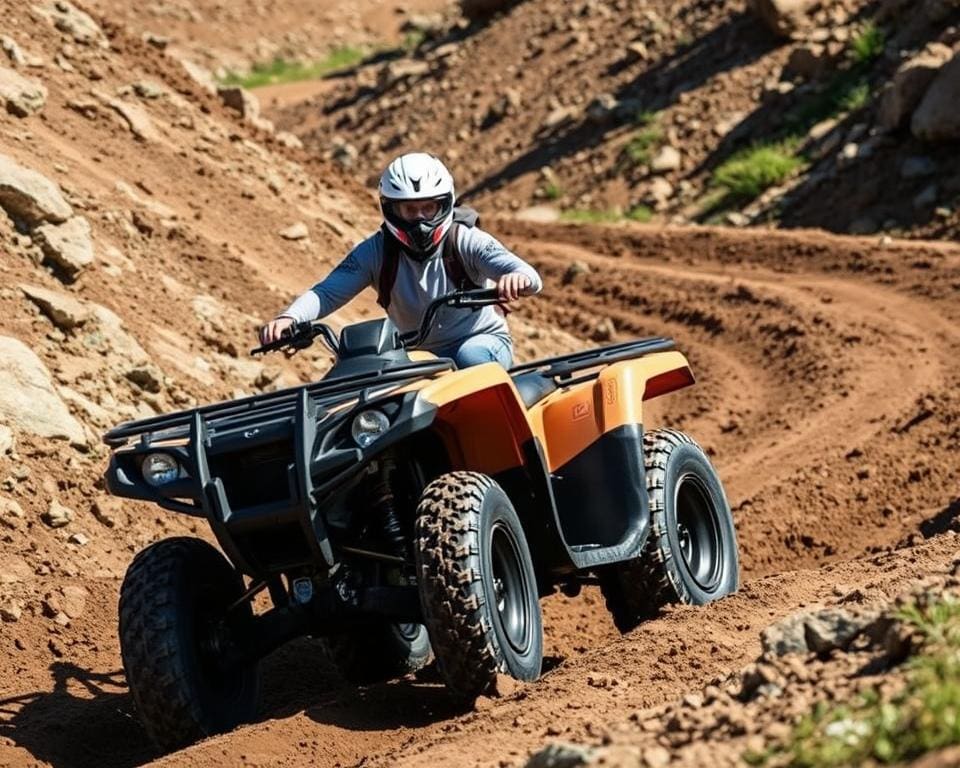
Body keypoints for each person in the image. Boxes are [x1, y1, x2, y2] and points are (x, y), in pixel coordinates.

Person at [259, 153, 542, 369]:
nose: (419, 220)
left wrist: (516, 279)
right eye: (409, 209)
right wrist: (290, 317)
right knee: (361, 380)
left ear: (445, 205)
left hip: (478, 341)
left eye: (428, 208)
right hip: (414, 355)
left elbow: (530, 276)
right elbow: (327, 291)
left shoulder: (466, 240)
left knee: (471, 360)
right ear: (390, 209)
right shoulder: (376, 251)